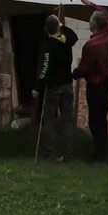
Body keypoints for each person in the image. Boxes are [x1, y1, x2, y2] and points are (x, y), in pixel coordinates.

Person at [33, 12, 78, 161]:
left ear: (46, 30)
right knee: (67, 121)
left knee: (49, 120)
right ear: (58, 28)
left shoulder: (49, 46)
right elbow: (74, 35)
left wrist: (37, 87)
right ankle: (68, 154)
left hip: (54, 88)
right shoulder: (67, 41)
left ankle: (49, 152)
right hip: (67, 85)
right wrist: (61, 24)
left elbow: (45, 69)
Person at [74, 7, 108, 163]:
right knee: (102, 119)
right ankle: (103, 150)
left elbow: (87, 68)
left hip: (96, 86)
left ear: (93, 25)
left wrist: (75, 72)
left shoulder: (91, 45)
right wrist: (89, 3)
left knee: (95, 121)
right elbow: (107, 15)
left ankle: (99, 154)